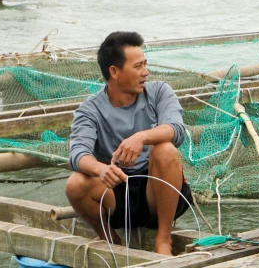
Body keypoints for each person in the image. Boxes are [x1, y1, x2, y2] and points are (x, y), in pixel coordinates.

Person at [65, 31, 195, 255]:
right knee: (75, 184)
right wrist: (100, 169)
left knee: (165, 149)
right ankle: (110, 240)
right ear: (114, 71)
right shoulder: (90, 110)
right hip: (118, 192)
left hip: (158, 191)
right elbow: (78, 153)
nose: (146, 72)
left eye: (145, 64)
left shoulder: (159, 92)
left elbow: (176, 130)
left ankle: (163, 240)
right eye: (137, 67)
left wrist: (141, 137)